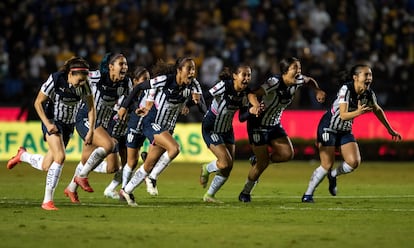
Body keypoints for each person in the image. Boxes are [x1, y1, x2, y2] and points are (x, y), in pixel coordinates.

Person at [302, 64, 402, 203]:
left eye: (370, 75)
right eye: (366, 75)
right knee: (327, 164)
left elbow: (377, 109)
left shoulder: (368, 93)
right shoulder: (346, 89)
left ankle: (333, 175)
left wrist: (390, 129)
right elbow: (343, 115)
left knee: (354, 162)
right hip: (329, 127)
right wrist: (359, 112)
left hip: (345, 130)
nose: (369, 78)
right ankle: (308, 195)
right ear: (355, 77)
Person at [6, 57, 95, 210]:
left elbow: (91, 108)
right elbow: (37, 102)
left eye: (83, 81)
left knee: (46, 165)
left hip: (68, 125)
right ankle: (47, 201)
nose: (81, 84)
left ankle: (23, 155)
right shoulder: (55, 80)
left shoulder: (85, 84)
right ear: (70, 74)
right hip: (52, 121)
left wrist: (91, 131)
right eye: (79, 80)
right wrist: (47, 123)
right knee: (60, 157)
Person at [238, 57, 326, 202]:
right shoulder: (274, 83)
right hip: (258, 125)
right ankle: (245, 193)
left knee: (287, 154)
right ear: (285, 71)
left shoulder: (298, 80)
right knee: (262, 163)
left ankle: (259, 160)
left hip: (274, 123)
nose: (299, 71)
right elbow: (252, 93)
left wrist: (317, 91)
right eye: (295, 68)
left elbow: (309, 80)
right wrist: (254, 106)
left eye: (299, 67)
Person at [118, 57, 203, 206]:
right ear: (179, 70)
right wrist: (124, 106)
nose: (192, 72)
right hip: (153, 122)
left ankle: (127, 190)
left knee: (149, 164)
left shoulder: (194, 84)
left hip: (167, 128)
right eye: (188, 69)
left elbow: (202, 105)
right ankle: (152, 178)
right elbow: (138, 88)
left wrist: (196, 102)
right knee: (174, 148)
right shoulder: (164, 80)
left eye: (193, 69)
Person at [64, 53, 131, 203]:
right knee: (109, 145)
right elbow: (76, 78)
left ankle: (71, 188)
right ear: (111, 67)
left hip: (103, 124)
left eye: (126, 64)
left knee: (91, 162)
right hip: (86, 120)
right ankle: (81, 177)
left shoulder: (126, 83)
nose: (125, 67)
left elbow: (129, 99)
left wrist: (126, 108)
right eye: (121, 64)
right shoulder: (96, 77)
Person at [199, 64, 261, 203]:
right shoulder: (224, 86)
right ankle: (206, 168)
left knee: (228, 166)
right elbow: (204, 96)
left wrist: (251, 111)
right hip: (211, 127)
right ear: (235, 76)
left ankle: (209, 195)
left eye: (249, 75)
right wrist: (200, 110)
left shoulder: (245, 94)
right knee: (225, 163)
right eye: (243, 75)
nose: (246, 78)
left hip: (227, 130)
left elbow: (241, 117)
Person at [103, 66, 151, 198]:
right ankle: (85, 169)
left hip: (125, 133)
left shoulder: (147, 96)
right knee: (112, 167)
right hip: (113, 131)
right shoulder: (127, 94)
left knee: (128, 165)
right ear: (135, 81)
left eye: (149, 79)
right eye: (144, 79)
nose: (148, 82)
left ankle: (112, 189)